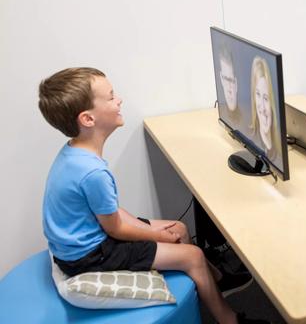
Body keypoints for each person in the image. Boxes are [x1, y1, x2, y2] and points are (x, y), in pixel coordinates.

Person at [39, 67, 267, 324]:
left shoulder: (75, 154)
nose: (119, 100)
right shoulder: (92, 172)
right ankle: (230, 320)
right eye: (111, 97)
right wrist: (156, 235)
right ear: (88, 119)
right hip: (88, 256)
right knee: (193, 256)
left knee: (179, 228)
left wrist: (157, 232)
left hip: (92, 238)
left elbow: (110, 213)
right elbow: (115, 229)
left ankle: (216, 281)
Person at [249, 56, 281, 162]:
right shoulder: (251, 142)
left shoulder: (280, 151)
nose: (262, 108)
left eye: (266, 98)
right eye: (258, 95)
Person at [218, 45, 241, 126]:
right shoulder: (222, 114)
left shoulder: (246, 122)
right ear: (221, 79)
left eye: (231, 80)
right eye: (225, 79)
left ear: (237, 84)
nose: (229, 89)